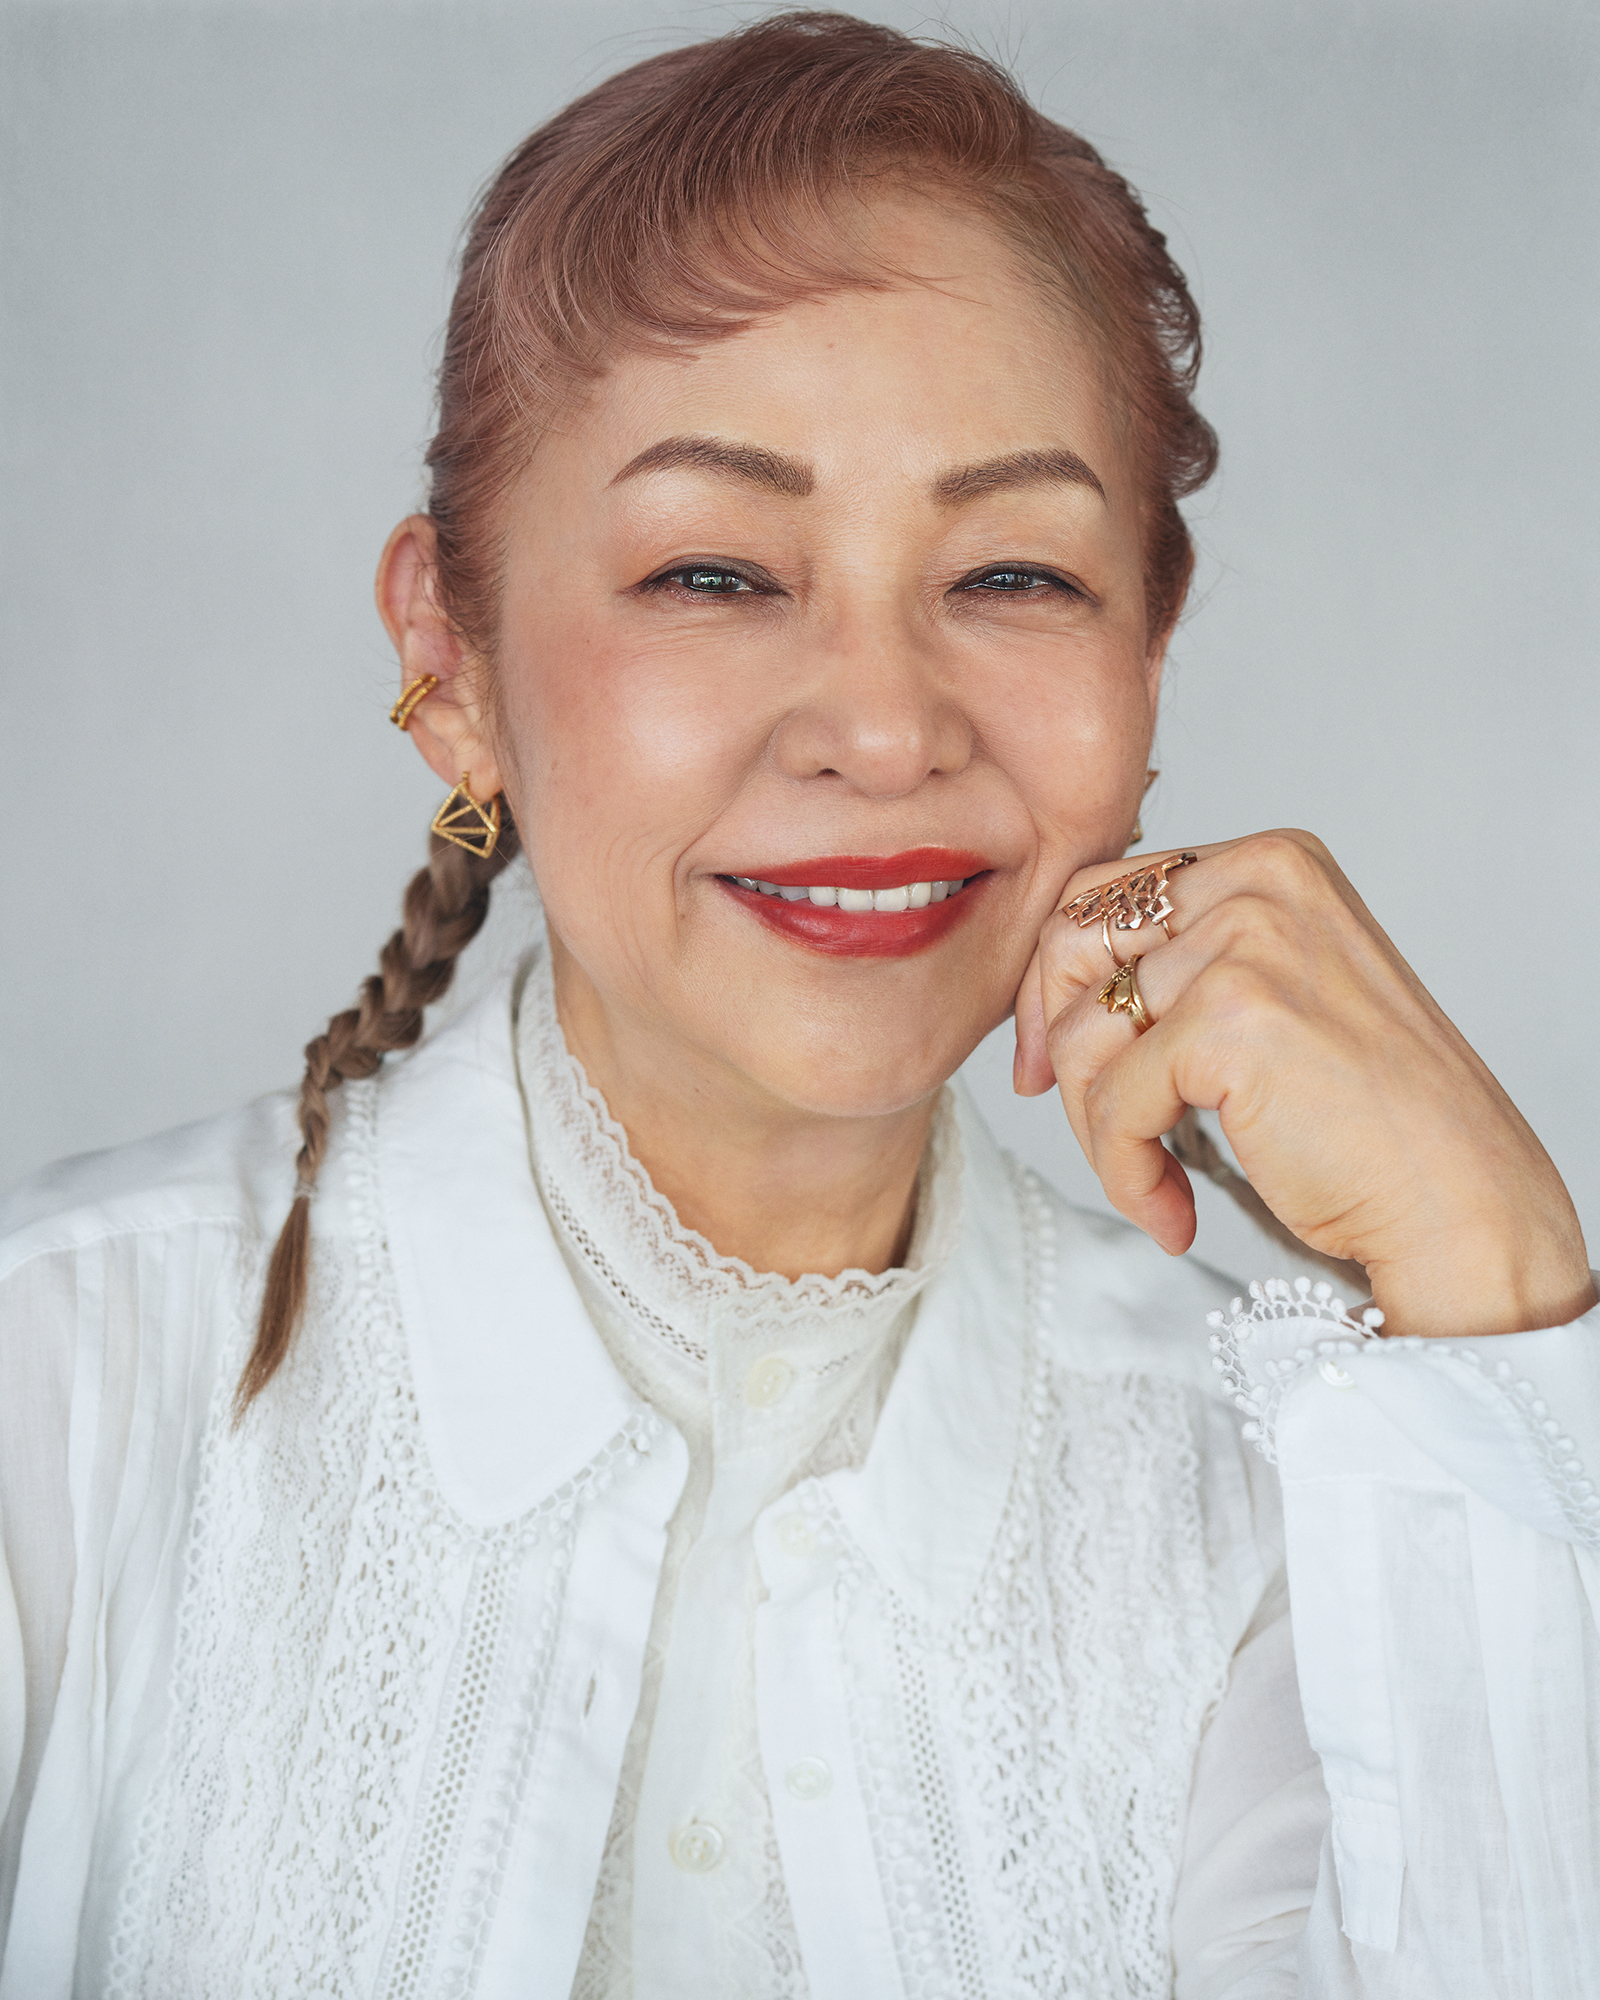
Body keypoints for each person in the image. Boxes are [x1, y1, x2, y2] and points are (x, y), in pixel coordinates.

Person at [1, 12, 1596, 1997]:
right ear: (451, 657)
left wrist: (1493, 1298)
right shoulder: (53, 1380)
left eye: (1012, 573)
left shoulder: (1288, 1504)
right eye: (713, 575)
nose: (879, 724)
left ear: (1150, 648)